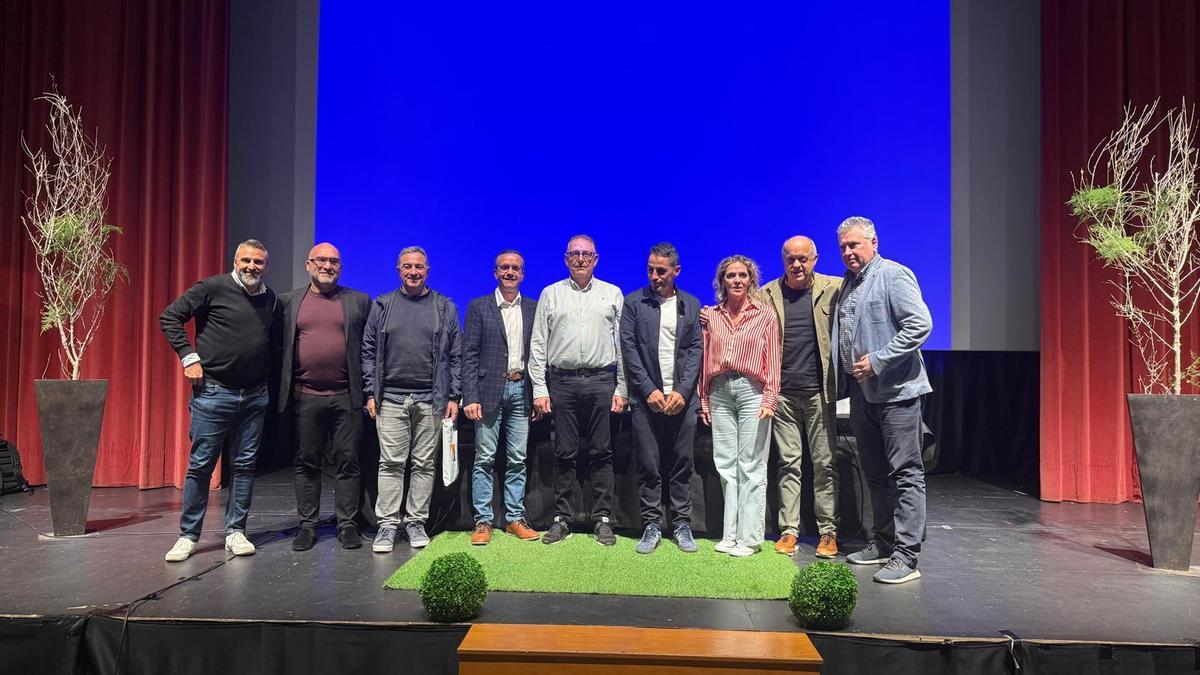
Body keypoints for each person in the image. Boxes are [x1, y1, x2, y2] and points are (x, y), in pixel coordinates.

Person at [159, 239, 280, 562]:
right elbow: (170, 317)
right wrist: (189, 357)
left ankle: (236, 531)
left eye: (258, 262)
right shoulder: (211, 288)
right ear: (235, 261)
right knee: (201, 466)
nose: (252, 266)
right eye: (246, 260)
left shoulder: (270, 299)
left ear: (266, 266)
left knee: (244, 466)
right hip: (214, 392)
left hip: (255, 396)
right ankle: (188, 536)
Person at [832, 216, 932, 585]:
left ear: (873, 242)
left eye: (854, 244)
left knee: (905, 473)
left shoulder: (893, 274)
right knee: (874, 473)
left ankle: (906, 555)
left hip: (897, 393)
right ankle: (884, 542)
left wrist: (878, 360)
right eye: (843, 247)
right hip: (863, 395)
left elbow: (920, 324)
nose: (848, 252)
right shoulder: (848, 283)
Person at [528, 234, 627, 546]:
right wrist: (539, 388)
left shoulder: (612, 293)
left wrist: (622, 387)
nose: (581, 259)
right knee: (564, 452)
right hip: (562, 382)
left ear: (596, 259)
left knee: (602, 452)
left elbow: (622, 346)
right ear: (566, 259)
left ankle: (602, 518)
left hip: (601, 380)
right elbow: (538, 345)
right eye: (575, 254)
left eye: (586, 254)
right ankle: (562, 518)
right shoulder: (551, 294)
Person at [362, 246, 461, 553]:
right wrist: (370, 392)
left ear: (427, 271)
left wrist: (454, 395)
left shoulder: (444, 307)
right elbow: (368, 351)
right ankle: (387, 525)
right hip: (390, 398)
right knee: (391, 463)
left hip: (432, 400)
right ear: (399, 270)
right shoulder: (383, 305)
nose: (414, 272)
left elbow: (456, 355)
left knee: (424, 464)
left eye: (419, 267)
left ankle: (416, 522)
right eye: (408, 267)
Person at [278, 243, 371, 551]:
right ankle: (308, 525)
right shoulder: (289, 302)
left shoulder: (359, 301)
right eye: (321, 260)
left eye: (333, 261)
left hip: (347, 396)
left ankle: (347, 525)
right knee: (307, 462)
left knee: (348, 461)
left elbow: (369, 349)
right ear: (308, 264)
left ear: (340, 267)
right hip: (306, 396)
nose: (327, 266)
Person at [761, 236, 842, 558]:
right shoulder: (767, 294)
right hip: (782, 395)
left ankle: (828, 532)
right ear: (783, 260)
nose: (797, 265)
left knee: (825, 465)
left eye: (803, 259)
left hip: (820, 394)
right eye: (791, 259)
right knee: (788, 465)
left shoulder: (834, 289)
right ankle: (789, 531)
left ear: (815, 260)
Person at [620, 242, 703, 554]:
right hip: (647, 400)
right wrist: (649, 390)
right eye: (650, 270)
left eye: (661, 270)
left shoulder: (691, 304)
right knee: (649, 465)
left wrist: (682, 391)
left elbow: (695, 351)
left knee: (682, 464)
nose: (654, 276)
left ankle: (682, 524)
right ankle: (651, 524)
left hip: (682, 401)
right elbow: (629, 350)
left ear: (676, 271)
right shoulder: (634, 303)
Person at [699, 255, 780, 557]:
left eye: (742, 275)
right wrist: (704, 398)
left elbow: (773, 358)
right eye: (730, 275)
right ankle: (729, 535)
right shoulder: (711, 316)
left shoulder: (765, 315)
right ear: (722, 281)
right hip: (720, 390)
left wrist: (770, 397)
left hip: (751, 391)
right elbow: (705, 358)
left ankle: (750, 538)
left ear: (751, 280)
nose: (736, 280)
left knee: (751, 465)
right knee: (725, 465)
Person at [462, 250, 540, 545]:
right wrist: (470, 396)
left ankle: (514, 519)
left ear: (523, 274)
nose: (509, 272)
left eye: (515, 268)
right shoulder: (479, 307)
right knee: (484, 458)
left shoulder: (533, 308)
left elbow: (539, 354)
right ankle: (483, 521)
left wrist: (538, 393)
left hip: (522, 390)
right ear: (495, 272)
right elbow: (469, 355)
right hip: (488, 392)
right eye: (504, 268)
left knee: (518, 459)